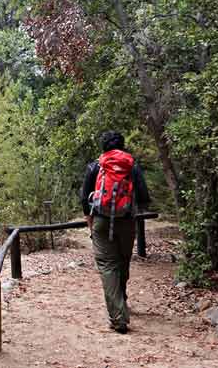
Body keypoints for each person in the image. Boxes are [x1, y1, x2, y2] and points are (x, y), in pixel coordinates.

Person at [81, 131, 150, 334]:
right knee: (123, 261)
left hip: (101, 221)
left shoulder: (96, 166)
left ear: (104, 148)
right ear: (123, 146)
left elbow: (85, 199)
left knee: (107, 266)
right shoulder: (132, 166)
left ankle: (118, 317)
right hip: (127, 221)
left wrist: (90, 223)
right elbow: (144, 198)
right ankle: (122, 301)